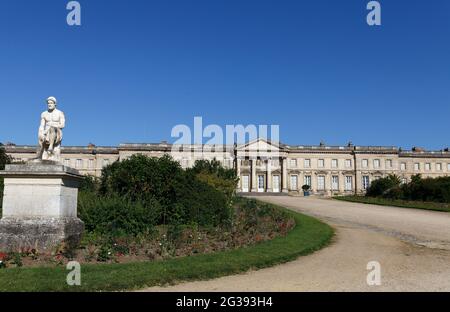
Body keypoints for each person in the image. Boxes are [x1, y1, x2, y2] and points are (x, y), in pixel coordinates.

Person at [36, 96, 65, 162]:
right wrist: (41, 132)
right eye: (48, 103)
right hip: (46, 132)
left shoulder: (60, 113)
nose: (49, 104)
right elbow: (42, 125)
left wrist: (53, 125)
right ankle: (39, 155)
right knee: (40, 134)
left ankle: (51, 146)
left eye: (51, 103)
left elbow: (62, 125)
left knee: (52, 128)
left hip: (57, 131)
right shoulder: (44, 114)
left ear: (55, 104)